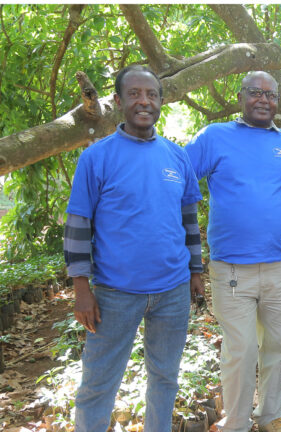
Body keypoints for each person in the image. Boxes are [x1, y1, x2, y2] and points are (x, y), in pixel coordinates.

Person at [64, 65, 203, 432]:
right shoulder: (96, 158)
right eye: (135, 94)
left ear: (160, 102)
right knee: (98, 384)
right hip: (115, 293)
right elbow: (79, 224)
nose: (144, 101)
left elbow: (189, 221)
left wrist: (196, 272)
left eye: (152, 95)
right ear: (118, 101)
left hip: (172, 292)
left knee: (166, 378)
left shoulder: (177, 157)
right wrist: (81, 288)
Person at [184, 71, 281, 432]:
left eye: (271, 95)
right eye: (255, 92)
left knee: (278, 346)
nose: (264, 100)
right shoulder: (215, 136)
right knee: (242, 348)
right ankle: (236, 421)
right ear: (240, 97)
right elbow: (178, 177)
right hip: (232, 269)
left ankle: (270, 417)